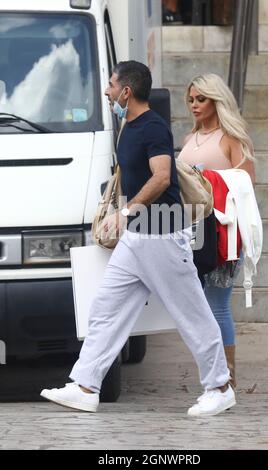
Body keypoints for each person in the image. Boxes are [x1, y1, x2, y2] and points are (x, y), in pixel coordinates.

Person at [40, 61, 236, 417]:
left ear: (126, 91)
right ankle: (85, 386)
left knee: (192, 313)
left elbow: (162, 177)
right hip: (136, 238)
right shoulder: (127, 127)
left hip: (162, 232)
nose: (107, 90)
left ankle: (220, 387)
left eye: (112, 85)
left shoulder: (154, 128)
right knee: (105, 308)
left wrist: (125, 211)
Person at [178, 73, 255, 388]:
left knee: (217, 302)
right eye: (192, 100)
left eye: (201, 99)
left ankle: (227, 377)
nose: (195, 105)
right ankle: (216, 372)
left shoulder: (232, 137)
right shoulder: (188, 139)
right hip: (192, 229)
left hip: (225, 230)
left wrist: (206, 176)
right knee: (200, 304)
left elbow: (247, 183)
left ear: (216, 100)